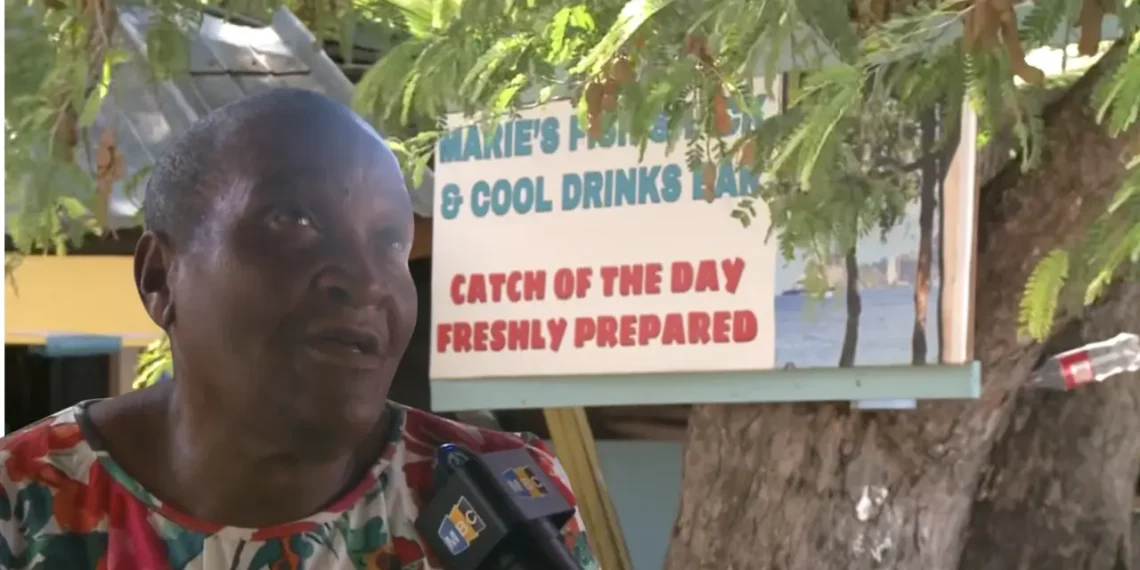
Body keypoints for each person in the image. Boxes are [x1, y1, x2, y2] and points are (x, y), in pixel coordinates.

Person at [0, 88, 601, 569]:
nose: (367, 280)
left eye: (391, 240)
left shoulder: (502, 503)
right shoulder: (22, 507)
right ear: (162, 278)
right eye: (294, 218)